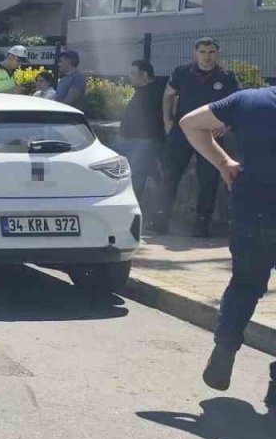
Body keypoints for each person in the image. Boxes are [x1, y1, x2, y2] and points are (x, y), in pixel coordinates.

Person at [180, 84, 276, 405]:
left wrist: (223, 163)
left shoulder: (250, 100)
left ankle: (225, 348)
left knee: (245, 285)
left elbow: (189, 123)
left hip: (253, 211)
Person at [147, 37, 240, 237]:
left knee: (208, 180)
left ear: (218, 53)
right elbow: (168, 95)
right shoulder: (182, 72)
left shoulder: (227, 77)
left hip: (211, 135)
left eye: (211, 52)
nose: (207, 57)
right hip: (182, 132)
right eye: (203, 52)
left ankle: (202, 225)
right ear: (195, 53)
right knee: (170, 175)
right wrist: (167, 121)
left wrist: (227, 124)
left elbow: (236, 104)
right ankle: (160, 221)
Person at [113, 60, 166, 204]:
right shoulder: (141, 89)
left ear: (144, 74)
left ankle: (131, 204)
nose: (130, 76)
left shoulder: (158, 90)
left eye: (133, 73)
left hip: (144, 139)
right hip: (126, 137)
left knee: (136, 174)